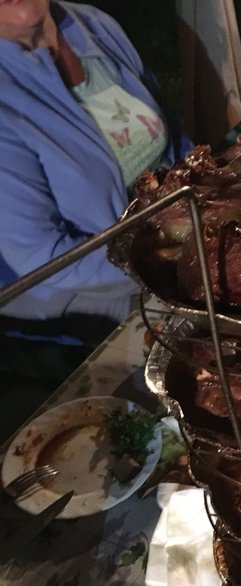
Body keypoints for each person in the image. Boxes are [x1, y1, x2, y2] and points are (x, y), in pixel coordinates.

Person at [0, 0, 192, 345]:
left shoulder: (91, 25)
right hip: (82, 289)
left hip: (174, 239)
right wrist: (174, 258)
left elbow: (175, 141)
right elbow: (42, 258)